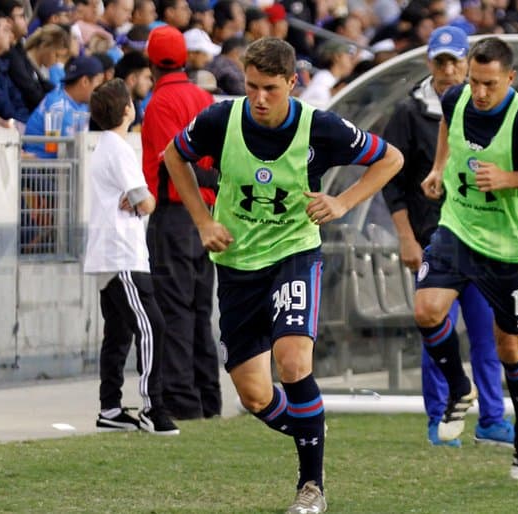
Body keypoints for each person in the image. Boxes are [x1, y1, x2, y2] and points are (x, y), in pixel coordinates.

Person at [163, 37, 402, 514]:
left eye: (270, 88)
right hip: (237, 265)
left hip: (294, 254)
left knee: (293, 363)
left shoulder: (320, 128)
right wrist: (203, 221)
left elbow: (389, 158)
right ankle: (313, 428)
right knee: (254, 394)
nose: (259, 98)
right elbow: (174, 156)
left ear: (293, 84)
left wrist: (341, 202)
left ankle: (310, 488)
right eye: (251, 86)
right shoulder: (220, 119)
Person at [417, 37, 518, 481]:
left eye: (490, 84)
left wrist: (509, 178)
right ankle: (459, 389)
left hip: (508, 250)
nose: (480, 92)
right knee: (427, 310)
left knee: (510, 349)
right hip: (458, 228)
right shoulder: (455, 96)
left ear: (510, 78)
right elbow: (449, 121)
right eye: (475, 81)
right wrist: (438, 167)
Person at [380, 25, 513, 448]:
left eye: (456, 60)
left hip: (482, 240)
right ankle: (440, 420)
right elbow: (392, 182)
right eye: (442, 61)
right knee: (437, 329)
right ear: (429, 63)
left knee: (487, 335)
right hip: (436, 243)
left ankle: (492, 420)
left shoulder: (489, 109)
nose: (450, 69)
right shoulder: (407, 114)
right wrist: (406, 238)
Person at [84, 78, 179, 436]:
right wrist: (146, 200)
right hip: (123, 254)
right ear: (127, 109)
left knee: (119, 332)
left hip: (107, 255)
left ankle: (110, 407)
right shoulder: (120, 149)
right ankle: (152, 406)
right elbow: (144, 200)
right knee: (152, 325)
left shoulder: (104, 146)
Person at [141, 26, 220, 421]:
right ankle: (208, 397)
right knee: (200, 311)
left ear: (151, 63)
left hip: (175, 215)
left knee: (174, 311)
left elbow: (170, 163)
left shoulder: (158, 104)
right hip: (207, 217)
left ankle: (181, 400)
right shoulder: (203, 97)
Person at [23, 54, 104, 156]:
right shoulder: (57, 106)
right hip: (41, 168)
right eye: (99, 82)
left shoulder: (81, 103)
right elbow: (72, 150)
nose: (101, 88)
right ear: (85, 81)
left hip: (62, 166)